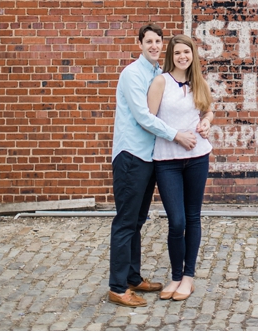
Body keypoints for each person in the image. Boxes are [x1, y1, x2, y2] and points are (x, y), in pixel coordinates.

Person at [108, 23, 197, 307]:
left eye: (158, 41)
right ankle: (118, 287)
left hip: (149, 157)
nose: (154, 46)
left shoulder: (158, 74)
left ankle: (133, 277)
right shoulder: (132, 74)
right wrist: (176, 135)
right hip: (131, 155)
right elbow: (144, 117)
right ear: (140, 44)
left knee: (138, 221)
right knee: (125, 222)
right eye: (149, 41)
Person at [147, 34, 215, 302]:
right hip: (167, 160)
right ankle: (175, 276)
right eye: (177, 53)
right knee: (176, 221)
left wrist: (207, 122)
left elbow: (209, 110)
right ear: (171, 56)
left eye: (187, 52)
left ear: (192, 55)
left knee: (192, 217)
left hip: (198, 157)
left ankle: (188, 277)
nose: (182, 57)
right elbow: (149, 120)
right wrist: (176, 135)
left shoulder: (199, 82)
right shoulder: (160, 82)